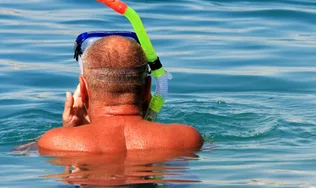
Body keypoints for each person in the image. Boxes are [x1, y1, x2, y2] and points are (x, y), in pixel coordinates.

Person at [38, 34, 203, 154]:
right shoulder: (187, 138)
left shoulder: (55, 143)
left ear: (83, 89)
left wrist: (70, 131)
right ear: (148, 88)